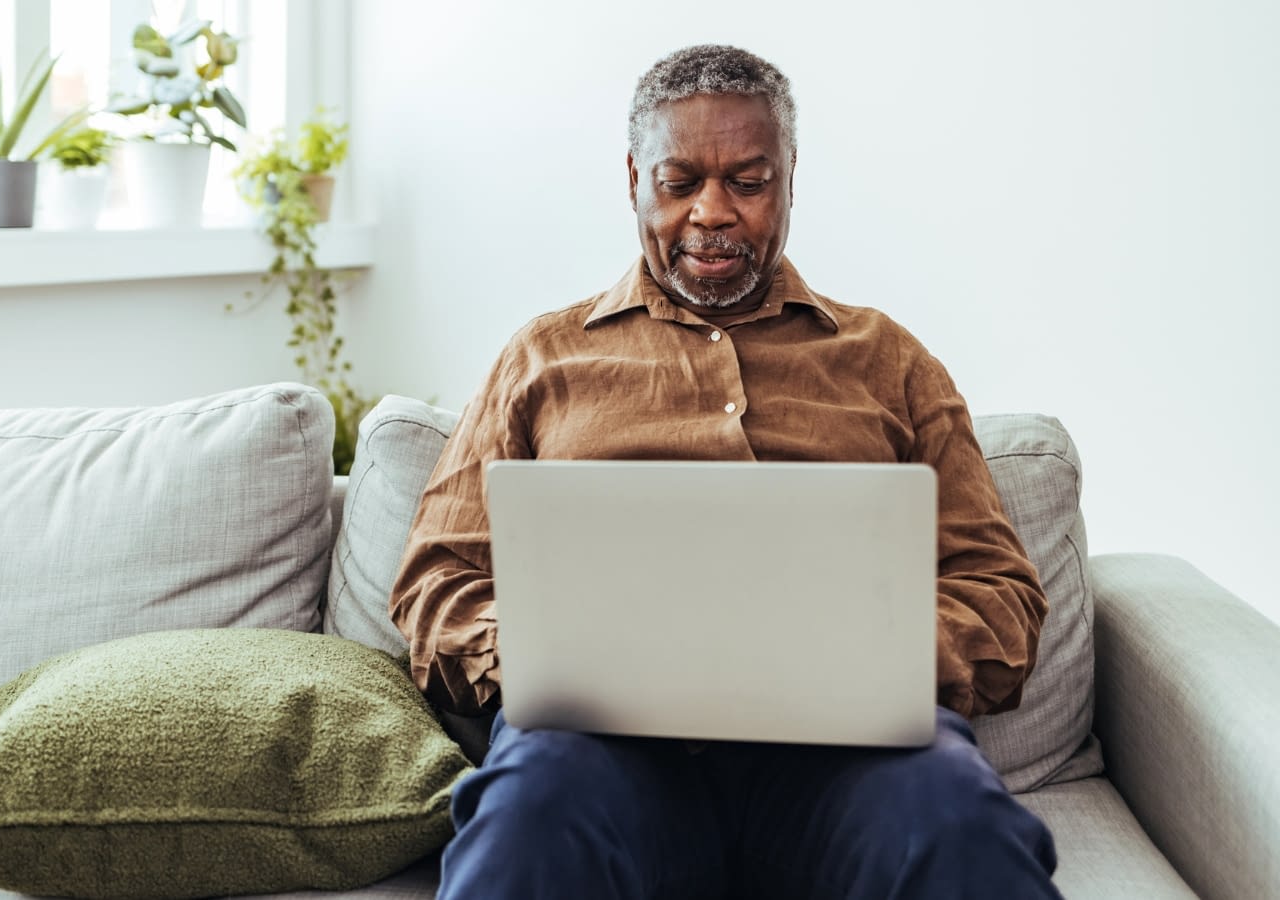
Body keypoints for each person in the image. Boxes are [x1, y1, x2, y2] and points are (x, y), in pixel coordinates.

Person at [390, 44, 1061, 899]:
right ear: (635, 179)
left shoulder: (888, 361)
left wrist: (870, 657)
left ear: (790, 180)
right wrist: (534, 654)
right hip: (601, 758)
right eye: (679, 183)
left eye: (748, 182)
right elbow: (436, 582)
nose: (713, 212)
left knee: (959, 825)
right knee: (529, 818)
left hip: (849, 761)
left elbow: (998, 591)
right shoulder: (541, 360)